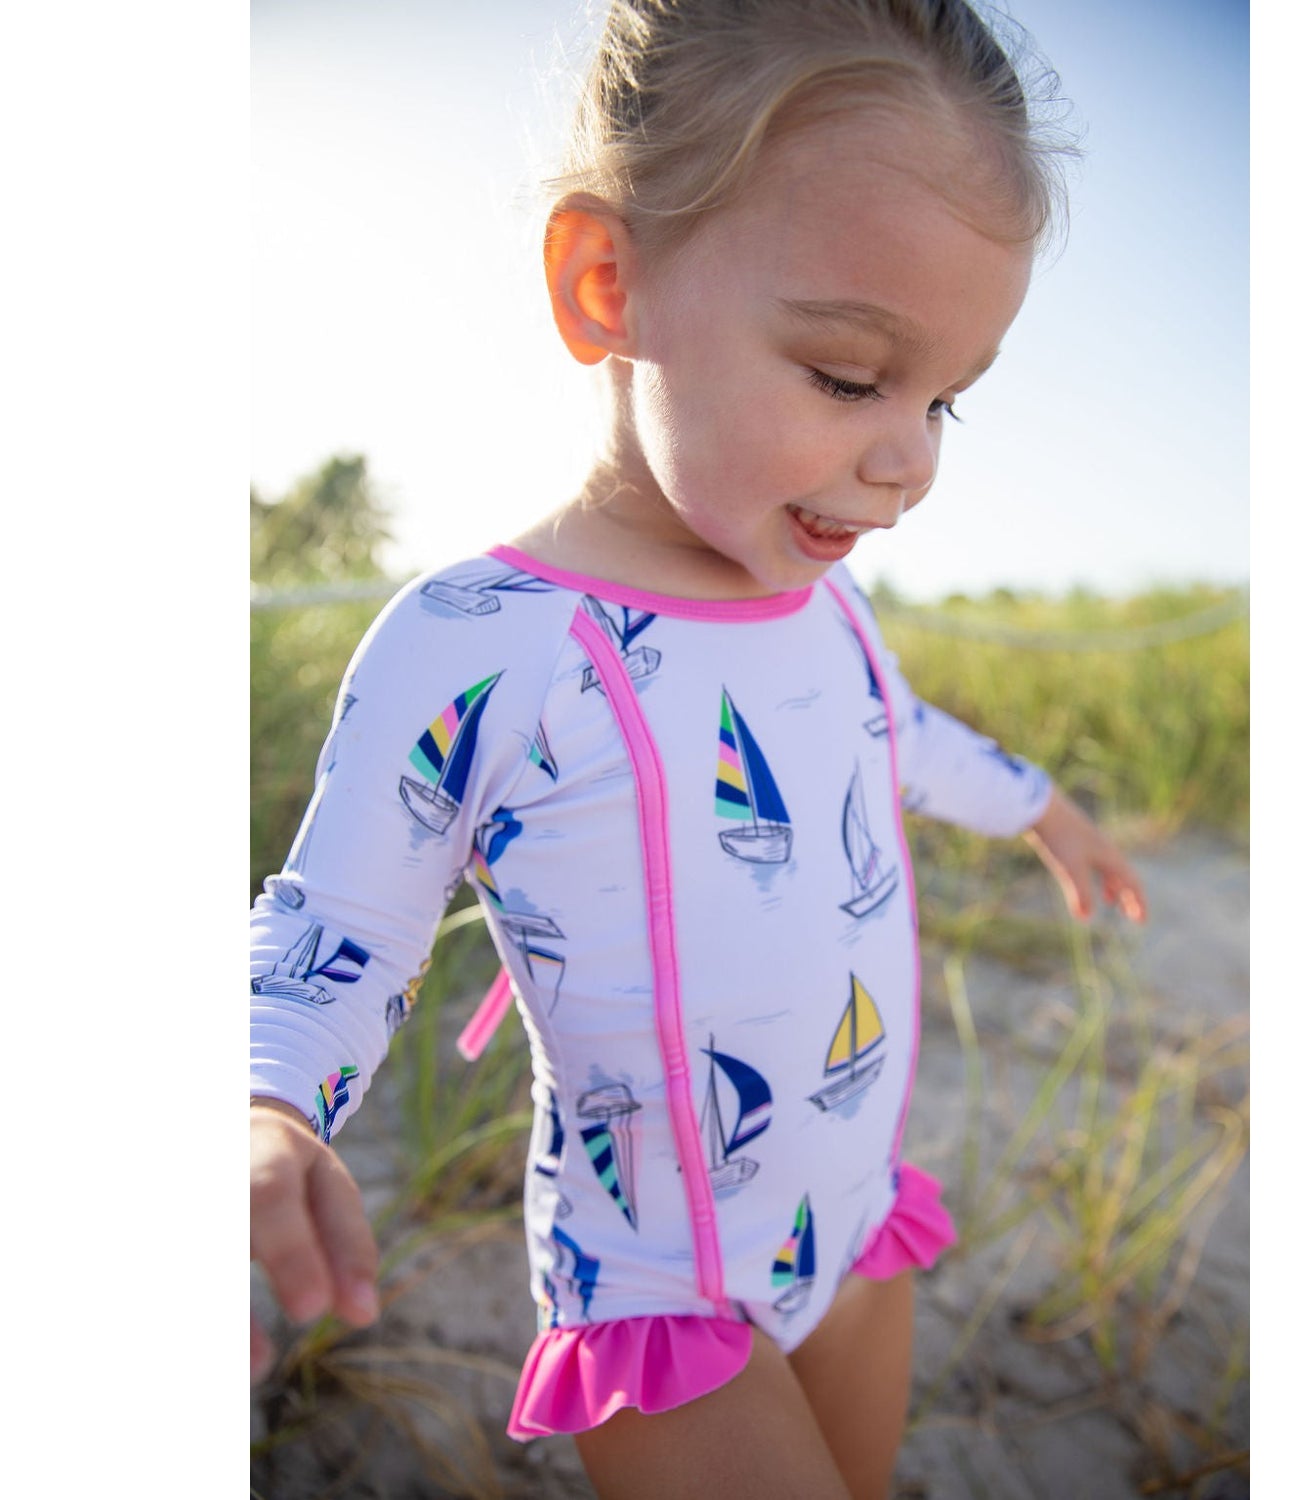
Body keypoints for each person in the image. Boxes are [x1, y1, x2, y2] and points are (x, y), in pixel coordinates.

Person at [250, 2, 1148, 1495]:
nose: (911, 460)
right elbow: (331, 932)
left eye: (945, 399)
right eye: (851, 376)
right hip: (664, 1293)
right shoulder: (482, 639)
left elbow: (898, 738)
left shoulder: (826, 605)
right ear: (608, 283)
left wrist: (1040, 806)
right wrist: (265, 1108)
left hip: (855, 1233)